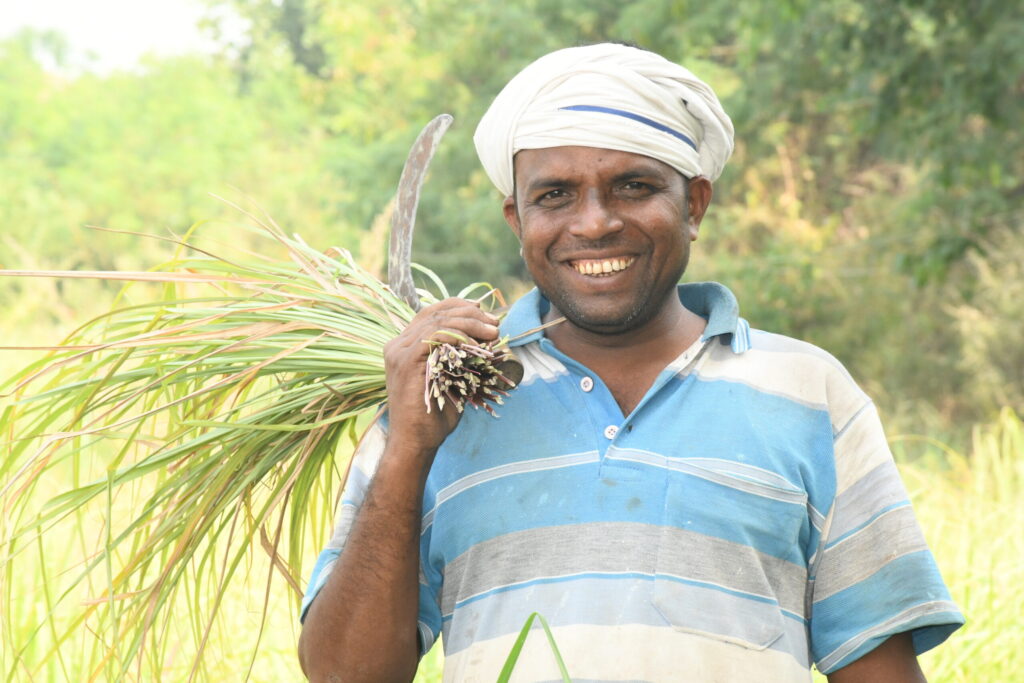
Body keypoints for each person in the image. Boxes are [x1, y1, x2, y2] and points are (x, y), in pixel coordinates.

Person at [297, 43, 963, 682]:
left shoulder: (810, 394)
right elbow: (340, 673)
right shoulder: (436, 404)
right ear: (516, 216)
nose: (593, 224)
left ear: (694, 203)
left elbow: (878, 666)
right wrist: (411, 446)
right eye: (555, 195)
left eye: (633, 186)